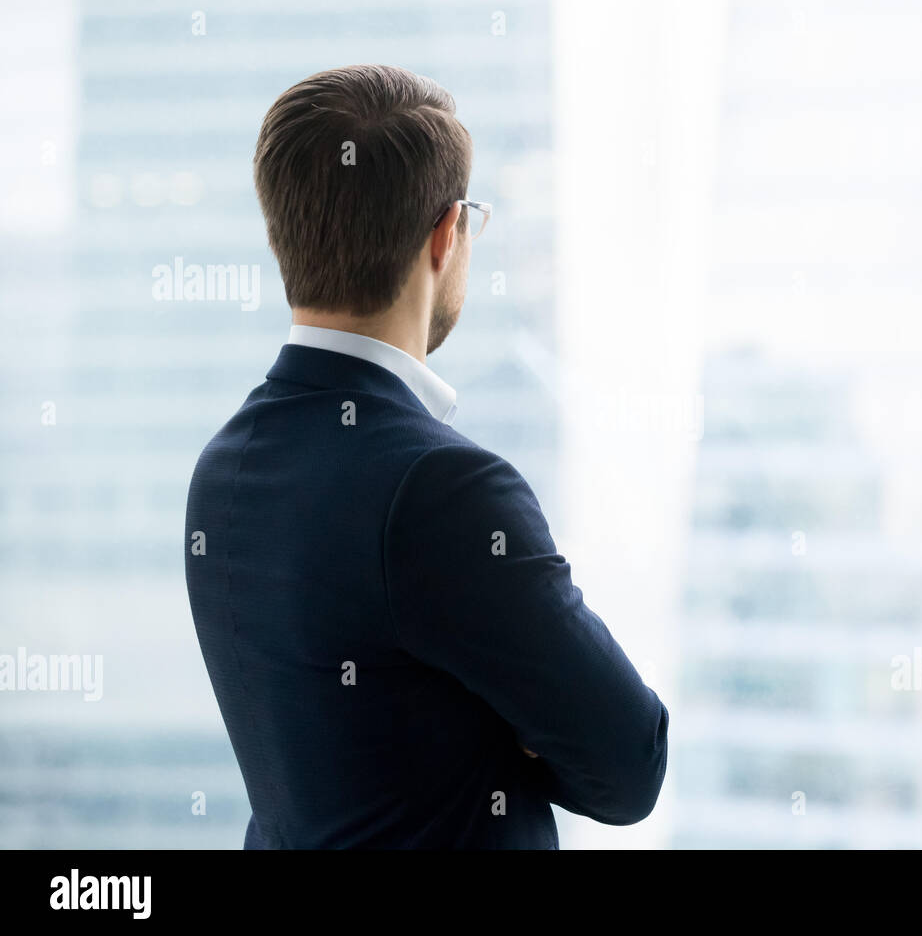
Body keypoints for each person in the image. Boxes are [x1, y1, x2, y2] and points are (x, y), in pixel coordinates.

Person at [184, 64, 668, 848]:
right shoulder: (444, 488)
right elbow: (631, 762)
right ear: (447, 235)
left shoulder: (223, 467)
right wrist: (515, 729)